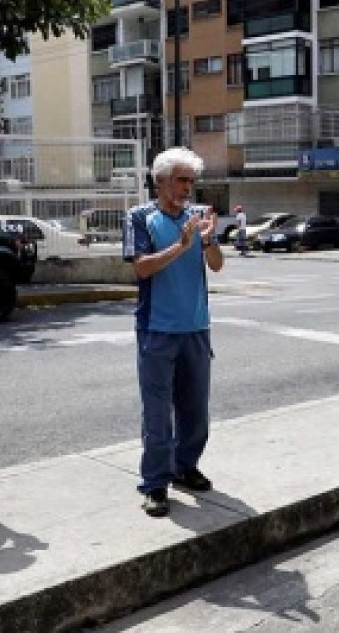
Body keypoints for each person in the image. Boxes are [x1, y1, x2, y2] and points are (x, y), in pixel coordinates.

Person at [122, 147, 224, 518]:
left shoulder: (198, 218)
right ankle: (155, 483)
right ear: (160, 181)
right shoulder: (140, 218)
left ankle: (185, 466)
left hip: (196, 328)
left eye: (191, 182)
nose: (187, 189)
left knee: (195, 410)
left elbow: (216, 266)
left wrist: (209, 240)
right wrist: (180, 246)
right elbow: (142, 268)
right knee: (157, 413)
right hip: (157, 330)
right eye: (181, 180)